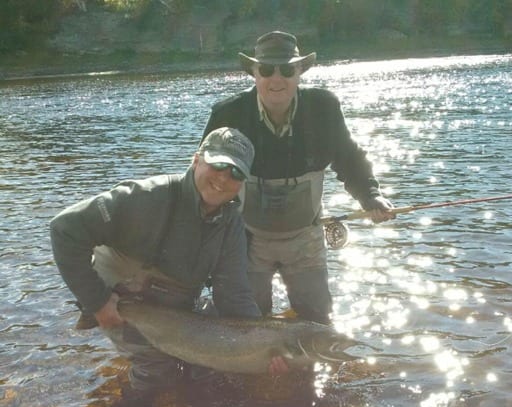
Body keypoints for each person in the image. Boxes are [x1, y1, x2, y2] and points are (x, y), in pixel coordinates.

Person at [50, 127, 288, 387]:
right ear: (196, 159)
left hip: (174, 306)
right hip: (120, 300)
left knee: (209, 367)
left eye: (236, 172)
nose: (224, 177)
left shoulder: (230, 224)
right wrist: (97, 301)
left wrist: (259, 346)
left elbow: (234, 294)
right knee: (157, 372)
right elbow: (65, 229)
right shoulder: (146, 197)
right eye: (218, 164)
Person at [202, 31, 394, 325]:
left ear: (300, 72)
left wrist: (370, 195)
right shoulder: (228, 114)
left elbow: (349, 159)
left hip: (306, 235)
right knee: (246, 321)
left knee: (317, 322)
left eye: (287, 69)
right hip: (246, 237)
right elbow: (204, 180)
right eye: (266, 69)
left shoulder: (324, 108)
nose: (276, 79)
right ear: (253, 72)